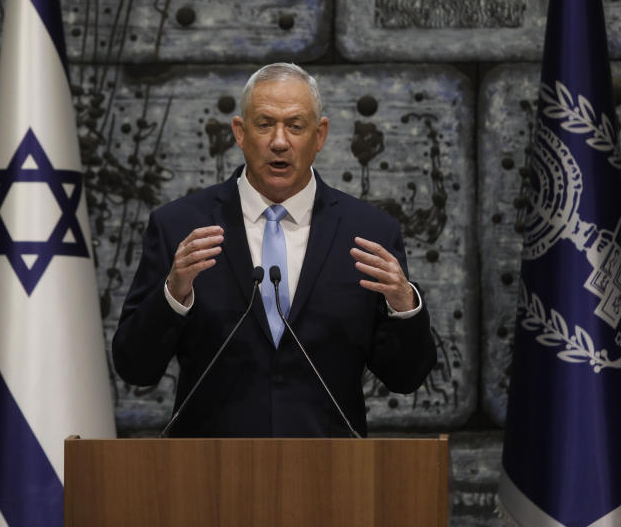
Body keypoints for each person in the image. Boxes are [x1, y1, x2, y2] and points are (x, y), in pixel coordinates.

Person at [112, 63, 436, 437]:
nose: (279, 141)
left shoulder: (369, 234)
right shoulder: (180, 228)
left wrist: (404, 305)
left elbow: (406, 378)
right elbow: (134, 368)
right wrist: (171, 294)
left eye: (295, 126)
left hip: (332, 474)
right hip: (209, 474)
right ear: (240, 132)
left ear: (320, 135)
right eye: (265, 124)